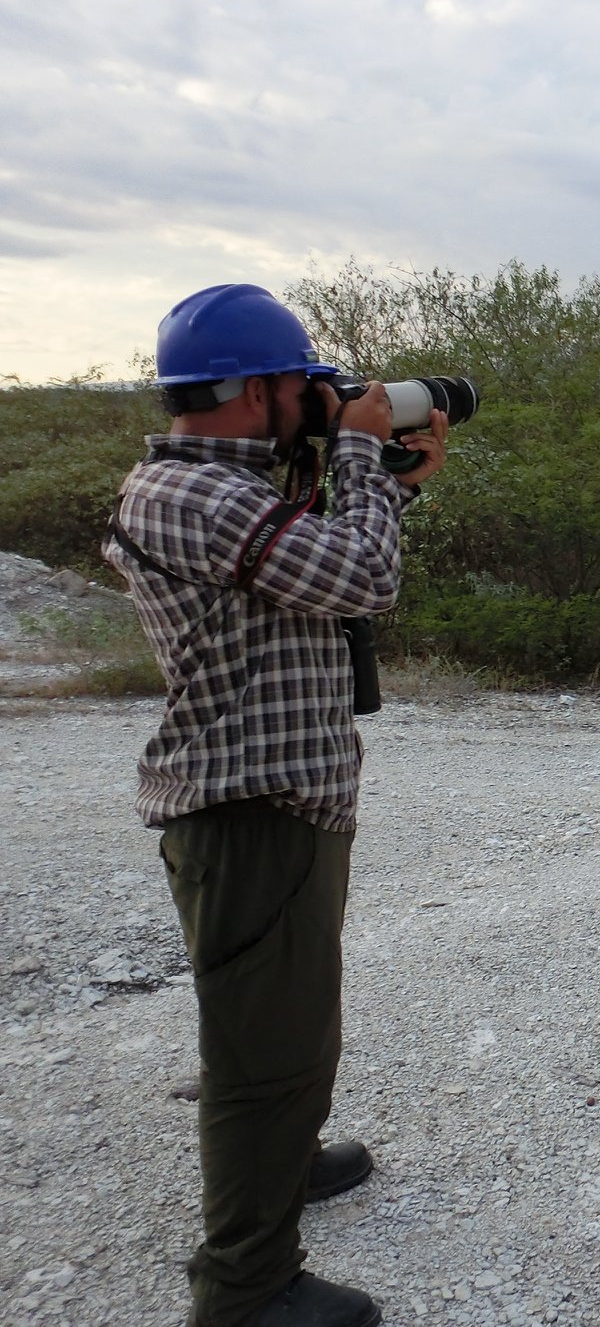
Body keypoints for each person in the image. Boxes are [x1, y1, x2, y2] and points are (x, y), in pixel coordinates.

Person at [103, 284, 447, 1327]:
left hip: (276, 800)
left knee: (286, 1021)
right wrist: (360, 453)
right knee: (268, 1052)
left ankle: (284, 1163)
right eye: (306, 385)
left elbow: (314, 569)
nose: (320, 400)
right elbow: (362, 578)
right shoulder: (194, 496)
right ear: (257, 390)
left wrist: (384, 479)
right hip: (250, 807)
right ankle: (245, 1289)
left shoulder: (223, 490)